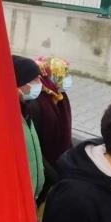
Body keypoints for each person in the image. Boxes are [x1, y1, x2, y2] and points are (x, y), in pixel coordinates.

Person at [30, 57, 73, 185]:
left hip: (59, 165)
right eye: (62, 75)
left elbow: (66, 130)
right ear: (50, 76)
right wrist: (55, 177)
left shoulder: (60, 96)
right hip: (45, 170)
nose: (67, 79)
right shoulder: (36, 104)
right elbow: (35, 145)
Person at [13, 55, 45, 201]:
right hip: (19, 201)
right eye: (34, 80)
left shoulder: (26, 110)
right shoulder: (8, 118)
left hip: (32, 197)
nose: (39, 83)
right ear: (18, 84)